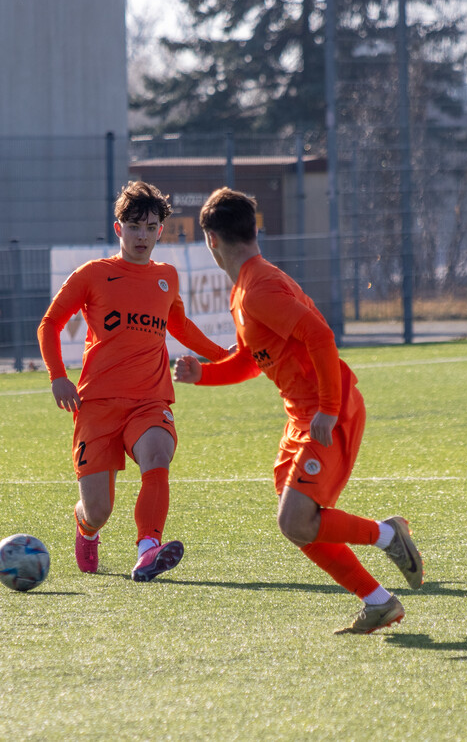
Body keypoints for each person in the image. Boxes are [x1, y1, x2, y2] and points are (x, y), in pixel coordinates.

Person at [174, 187, 423, 635]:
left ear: (211, 240)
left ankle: (389, 535)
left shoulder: (259, 288)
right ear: (255, 230)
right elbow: (253, 359)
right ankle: (379, 601)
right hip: (302, 415)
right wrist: (203, 375)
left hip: (330, 409)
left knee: (295, 519)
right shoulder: (246, 289)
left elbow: (321, 337)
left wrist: (328, 409)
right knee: (299, 526)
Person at [37, 180, 231, 582]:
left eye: (150, 227)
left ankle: (148, 549)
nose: (142, 235)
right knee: (99, 510)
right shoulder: (93, 274)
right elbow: (50, 323)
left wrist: (226, 356)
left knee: (158, 453)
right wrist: (58, 377)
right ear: (118, 229)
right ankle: (85, 526)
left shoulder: (167, 276)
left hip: (149, 399)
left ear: (161, 230)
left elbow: (180, 327)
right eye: (134, 226)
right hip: (97, 405)